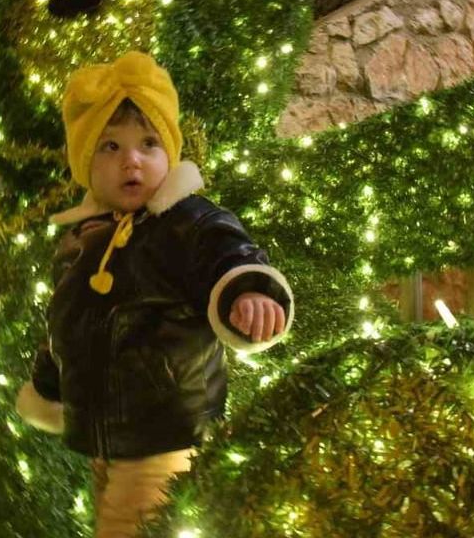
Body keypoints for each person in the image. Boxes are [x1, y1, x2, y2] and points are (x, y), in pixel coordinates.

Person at [15, 51, 293, 537]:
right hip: (107, 442)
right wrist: (48, 386)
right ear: (86, 164)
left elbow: (225, 250)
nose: (132, 159)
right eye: (110, 147)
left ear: (170, 154)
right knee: (114, 520)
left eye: (148, 143)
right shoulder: (83, 241)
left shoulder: (184, 222)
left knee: (129, 528)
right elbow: (67, 326)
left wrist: (249, 290)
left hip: (167, 434)